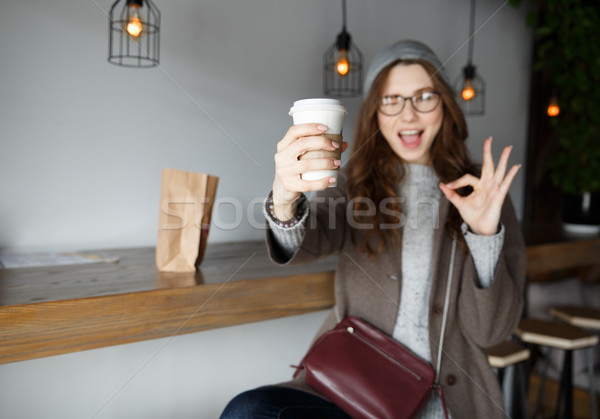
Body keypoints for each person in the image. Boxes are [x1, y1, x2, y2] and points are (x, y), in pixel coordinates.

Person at [221, 40, 526, 419]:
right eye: (391, 99)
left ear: (446, 104)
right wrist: (285, 195)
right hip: (352, 392)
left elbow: (491, 332)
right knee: (248, 411)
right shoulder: (354, 182)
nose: (408, 115)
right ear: (375, 112)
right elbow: (308, 242)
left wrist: (484, 235)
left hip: (444, 404)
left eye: (424, 97)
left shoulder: (484, 191)